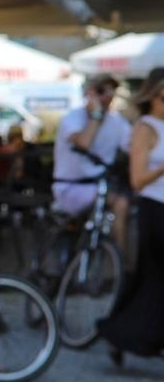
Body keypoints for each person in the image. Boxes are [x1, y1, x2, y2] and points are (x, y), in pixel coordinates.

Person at [97, 67, 164, 363]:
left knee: (149, 280)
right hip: (153, 209)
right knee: (150, 278)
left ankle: (125, 336)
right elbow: (137, 180)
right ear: (156, 94)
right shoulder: (145, 129)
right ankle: (123, 335)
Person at [53, 74, 132, 254]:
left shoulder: (117, 121)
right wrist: (96, 114)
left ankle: (120, 264)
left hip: (99, 186)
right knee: (120, 204)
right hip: (70, 188)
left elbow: (133, 149)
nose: (108, 96)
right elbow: (84, 142)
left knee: (122, 204)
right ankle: (122, 262)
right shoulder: (73, 118)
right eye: (101, 90)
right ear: (89, 93)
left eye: (112, 91)